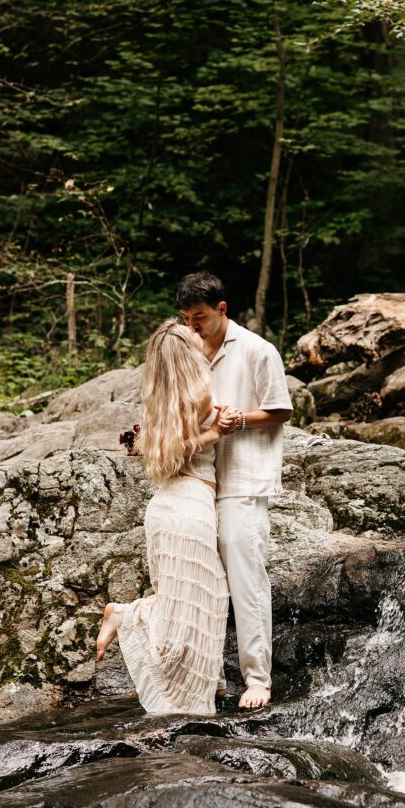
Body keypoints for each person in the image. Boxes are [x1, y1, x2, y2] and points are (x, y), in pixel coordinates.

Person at [95, 318, 230, 716]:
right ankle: (128, 616)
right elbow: (177, 450)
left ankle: (207, 688)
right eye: (193, 336)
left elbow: (160, 455)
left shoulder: (160, 400)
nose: (200, 335)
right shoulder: (201, 394)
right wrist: (215, 433)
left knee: (192, 602)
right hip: (189, 508)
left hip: (167, 508)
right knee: (202, 603)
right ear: (185, 353)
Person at [177, 271, 293, 710]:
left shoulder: (257, 350)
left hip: (243, 479)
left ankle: (258, 679)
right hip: (197, 478)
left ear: (222, 309)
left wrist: (239, 419)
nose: (193, 326)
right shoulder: (186, 350)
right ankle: (210, 678)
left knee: (246, 581)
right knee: (202, 583)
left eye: (200, 317)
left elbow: (281, 409)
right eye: (186, 318)